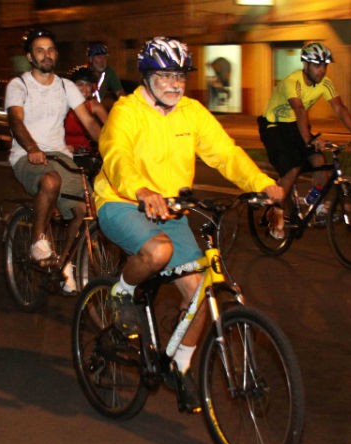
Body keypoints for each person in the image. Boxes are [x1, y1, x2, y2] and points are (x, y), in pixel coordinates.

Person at [94, 36, 284, 408]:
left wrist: (262, 185)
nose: (174, 83)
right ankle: (121, 292)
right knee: (159, 250)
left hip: (171, 208)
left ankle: (177, 365)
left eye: (179, 75)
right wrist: (142, 190)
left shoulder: (192, 112)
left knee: (201, 293)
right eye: (164, 75)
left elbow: (225, 153)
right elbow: (116, 156)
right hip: (121, 201)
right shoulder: (127, 111)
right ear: (147, 77)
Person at [5, 28, 101, 295]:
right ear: (30, 57)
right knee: (50, 181)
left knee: (87, 208)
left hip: (60, 155)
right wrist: (32, 147)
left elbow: (89, 122)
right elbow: (15, 120)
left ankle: (66, 263)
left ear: (56, 55)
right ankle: (38, 242)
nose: (46, 55)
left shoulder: (65, 85)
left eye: (50, 50)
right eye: (39, 50)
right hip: (27, 155)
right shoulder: (19, 85)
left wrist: (113, 149)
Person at [258, 42, 351, 239]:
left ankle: (315, 203)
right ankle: (276, 217)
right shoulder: (293, 81)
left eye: (325, 65)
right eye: (317, 65)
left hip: (295, 126)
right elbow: (299, 109)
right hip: (274, 125)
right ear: (305, 65)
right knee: (292, 168)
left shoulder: (325, 83)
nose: (322, 70)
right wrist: (308, 138)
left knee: (319, 161)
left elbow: (340, 108)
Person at [64, 65, 108, 153]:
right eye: (80, 84)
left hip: (84, 151)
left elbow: (111, 128)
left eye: (88, 85)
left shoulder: (95, 106)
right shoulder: (62, 104)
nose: (85, 89)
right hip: (61, 149)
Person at [87, 41, 125, 108]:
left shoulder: (109, 73)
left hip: (97, 109)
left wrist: (125, 105)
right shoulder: (83, 73)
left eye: (104, 57)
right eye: (99, 57)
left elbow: (120, 93)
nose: (102, 61)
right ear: (90, 59)